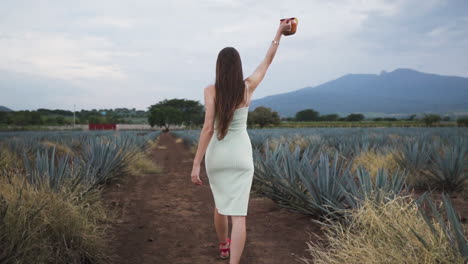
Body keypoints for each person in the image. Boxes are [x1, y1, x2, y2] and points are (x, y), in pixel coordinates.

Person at [190, 19, 292, 263]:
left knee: (219, 205)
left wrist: (196, 164)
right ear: (238, 67)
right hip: (241, 157)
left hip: (218, 156)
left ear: (219, 67)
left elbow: (207, 129)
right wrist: (278, 32)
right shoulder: (248, 88)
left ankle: (222, 245)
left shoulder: (210, 90)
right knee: (239, 216)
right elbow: (267, 62)